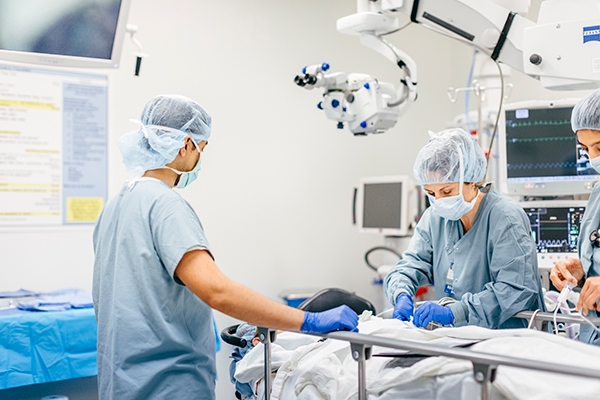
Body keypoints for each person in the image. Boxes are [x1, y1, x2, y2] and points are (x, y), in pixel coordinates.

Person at [92, 94, 358, 400]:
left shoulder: (117, 203)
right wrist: (306, 321)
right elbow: (217, 291)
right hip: (166, 385)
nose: (199, 159)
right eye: (202, 149)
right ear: (187, 144)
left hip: (123, 382)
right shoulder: (165, 205)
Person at [384, 128, 545, 329]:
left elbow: (515, 289)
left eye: (447, 191)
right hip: (458, 341)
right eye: (431, 193)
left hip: (507, 339)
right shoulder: (435, 217)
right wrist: (401, 293)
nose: (439, 200)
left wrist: (457, 312)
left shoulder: (504, 217)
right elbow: (412, 263)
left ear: (471, 179)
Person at [550, 88, 600, 345]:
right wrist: (583, 267)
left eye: (599, 146)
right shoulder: (599, 191)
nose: (593, 158)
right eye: (585, 148)